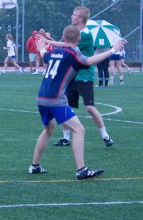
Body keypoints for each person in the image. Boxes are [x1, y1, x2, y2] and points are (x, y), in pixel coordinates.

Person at [29, 25, 124, 180]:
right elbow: (90, 60)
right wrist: (112, 50)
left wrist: (41, 47)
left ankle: (35, 166)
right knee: (79, 130)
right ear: (78, 39)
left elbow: (44, 54)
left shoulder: (56, 52)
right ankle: (81, 170)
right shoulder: (73, 54)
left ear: (63, 37)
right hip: (56, 99)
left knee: (48, 129)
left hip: (42, 98)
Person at [45, 6, 115, 147]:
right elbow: (65, 45)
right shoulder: (75, 32)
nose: (72, 16)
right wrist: (47, 38)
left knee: (90, 108)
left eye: (74, 15)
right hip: (71, 75)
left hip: (84, 75)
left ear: (81, 19)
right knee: (65, 106)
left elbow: (65, 45)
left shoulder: (85, 34)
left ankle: (105, 135)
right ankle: (66, 138)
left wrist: (47, 41)